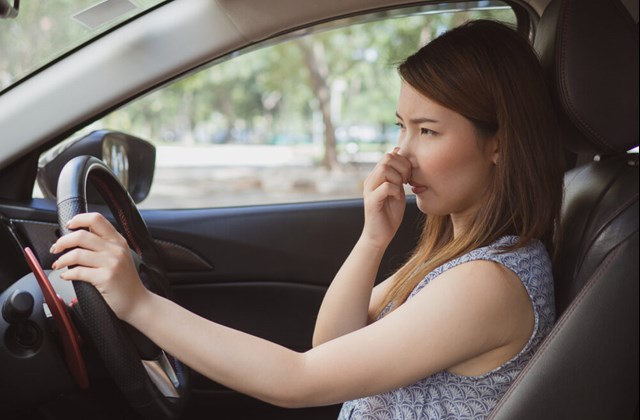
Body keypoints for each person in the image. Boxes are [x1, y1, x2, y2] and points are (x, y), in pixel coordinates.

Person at [50, 20, 565, 419]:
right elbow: (332, 345)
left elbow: (299, 378)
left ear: (498, 143)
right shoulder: (456, 257)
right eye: (400, 127)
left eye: (427, 132)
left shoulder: (488, 283)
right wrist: (371, 239)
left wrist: (139, 303)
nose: (400, 155)